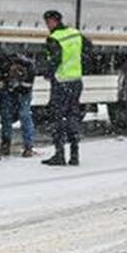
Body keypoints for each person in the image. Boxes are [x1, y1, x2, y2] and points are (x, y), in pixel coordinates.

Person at [39, 10, 86, 166]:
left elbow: (55, 60)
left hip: (61, 83)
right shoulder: (75, 33)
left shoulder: (54, 39)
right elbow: (89, 49)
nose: (47, 25)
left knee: (58, 118)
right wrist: (80, 65)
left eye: (48, 22)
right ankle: (74, 155)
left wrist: (47, 73)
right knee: (72, 116)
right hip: (76, 82)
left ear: (54, 21)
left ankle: (59, 154)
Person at [0, 53, 36, 157]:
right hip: (8, 90)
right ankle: (6, 143)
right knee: (6, 115)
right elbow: (1, 82)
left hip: (23, 91)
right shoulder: (3, 67)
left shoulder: (29, 69)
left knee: (24, 114)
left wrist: (16, 86)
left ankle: (28, 146)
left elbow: (27, 88)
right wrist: (6, 85)